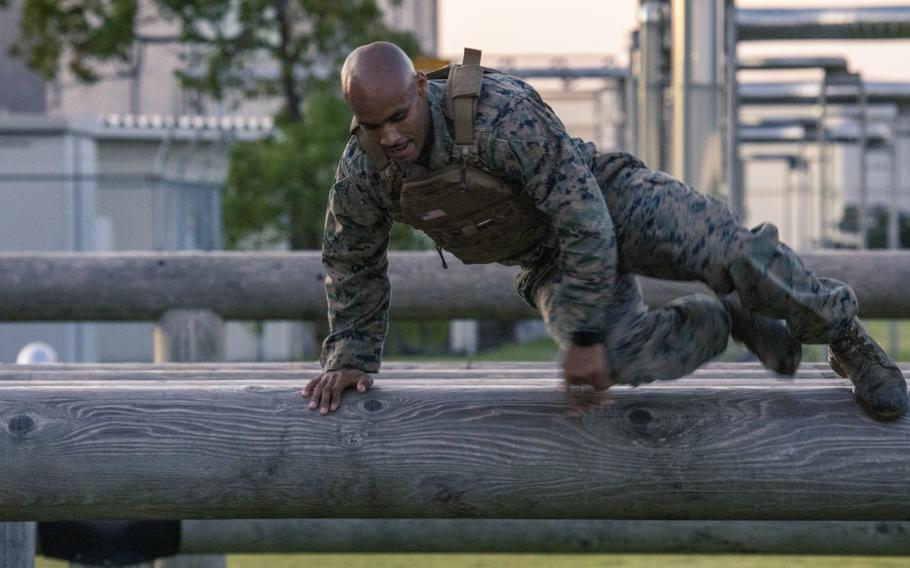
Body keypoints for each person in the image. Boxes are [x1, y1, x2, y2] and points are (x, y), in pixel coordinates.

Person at [303, 41, 908, 420]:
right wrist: (351, 354)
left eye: (397, 117)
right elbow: (350, 256)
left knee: (730, 251)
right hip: (545, 259)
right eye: (369, 124)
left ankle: (846, 338)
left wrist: (583, 332)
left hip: (606, 200)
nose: (388, 137)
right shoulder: (366, 171)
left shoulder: (497, 113)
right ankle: (728, 320)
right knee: (616, 359)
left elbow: (584, 218)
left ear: (420, 88)